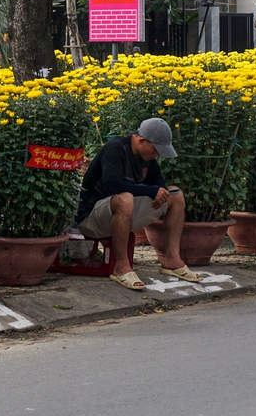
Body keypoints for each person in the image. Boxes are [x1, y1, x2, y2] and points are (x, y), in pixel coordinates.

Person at [75, 117, 200, 290]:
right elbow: (112, 185)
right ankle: (121, 268)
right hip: (92, 218)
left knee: (175, 195)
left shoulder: (145, 155)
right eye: (156, 150)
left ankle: (172, 259)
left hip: (123, 214)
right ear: (141, 140)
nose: (156, 155)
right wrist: (150, 191)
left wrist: (161, 191)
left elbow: (156, 178)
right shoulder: (115, 149)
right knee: (125, 198)